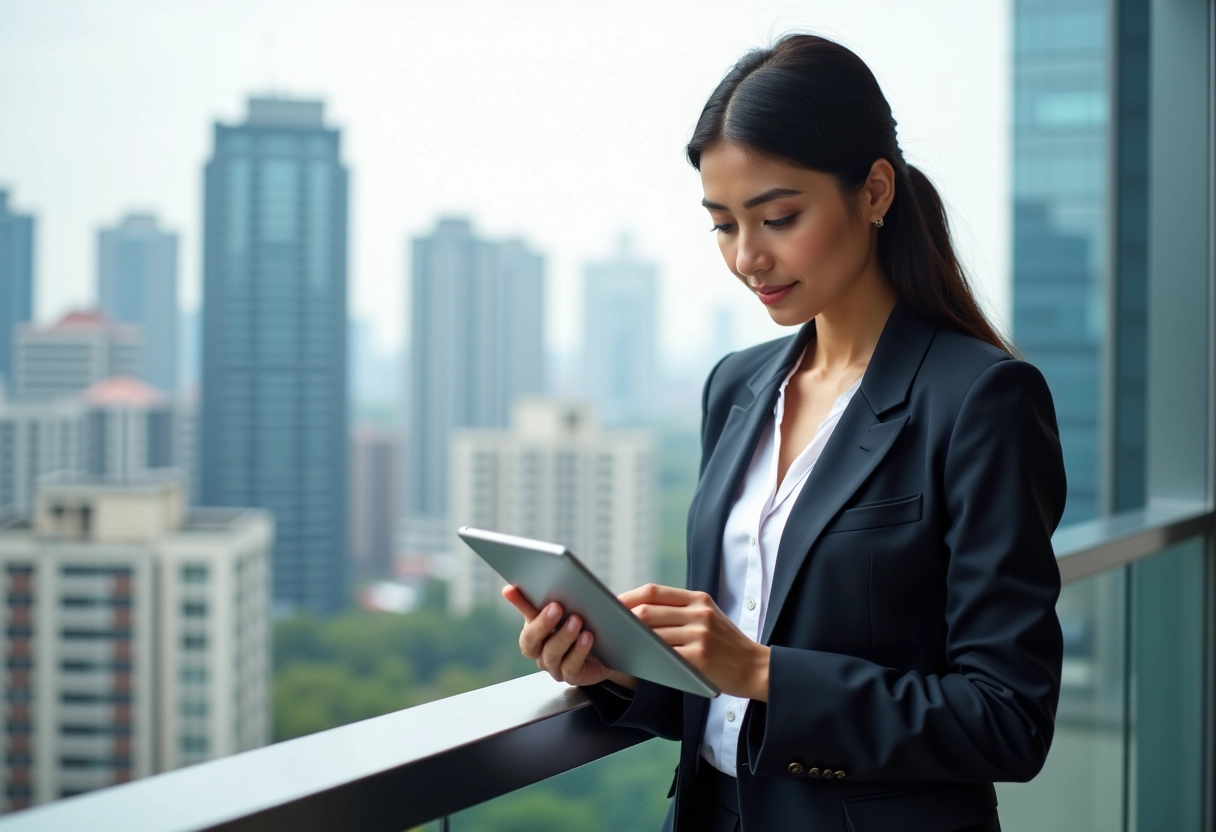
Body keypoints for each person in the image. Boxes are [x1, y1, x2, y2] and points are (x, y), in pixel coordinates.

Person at [504, 33, 1066, 832]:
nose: (747, 258)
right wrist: (623, 673)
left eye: (777, 217)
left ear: (875, 191)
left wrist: (763, 670)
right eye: (723, 225)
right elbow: (729, 694)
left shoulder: (980, 401)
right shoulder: (735, 386)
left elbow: (1006, 718)